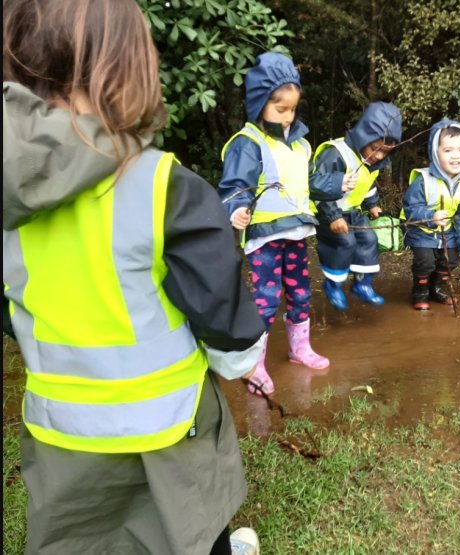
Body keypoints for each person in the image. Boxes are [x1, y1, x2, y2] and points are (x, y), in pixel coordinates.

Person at [2, 1, 265, 554]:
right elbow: (224, 315)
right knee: (192, 527)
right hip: (168, 430)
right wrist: (242, 360)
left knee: (79, 536)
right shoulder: (166, 186)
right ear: (130, 70)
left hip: (61, 431)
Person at [218, 52, 329, 397]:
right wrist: (236, 210)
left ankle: (300, 349)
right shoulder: (248, 144)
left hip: (295, 233)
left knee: (299, 292)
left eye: (292, 109)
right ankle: (255, 364)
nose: (287, 116)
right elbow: (235, 187)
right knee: (266, 300)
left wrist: (336, 185)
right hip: (264, 238)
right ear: (259, 103)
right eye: (280, 109)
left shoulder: (301, 144)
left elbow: (311, 181)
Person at [309, 101, 402, 310]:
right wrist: (333, 216)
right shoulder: (336, 153)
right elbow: (317, 188)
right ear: (364, 135)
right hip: (327, 211)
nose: (379, 155)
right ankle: (333, 285)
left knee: (369, 238)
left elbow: (366, 185)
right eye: (375, 148)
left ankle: (362, 283)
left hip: (353, 212)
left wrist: (373, 205)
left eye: (385, 152)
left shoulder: (372, 163)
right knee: (345, 243)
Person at [401, 120, 460, 310]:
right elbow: (410, 208)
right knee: (425, 262)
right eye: (448, 150)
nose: (456, 156)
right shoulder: (423, 179)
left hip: (448, 231)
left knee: (451, 259)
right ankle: (420, 291)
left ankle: (436, 288)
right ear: (436, 152)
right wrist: (431, 215)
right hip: (422, 229)